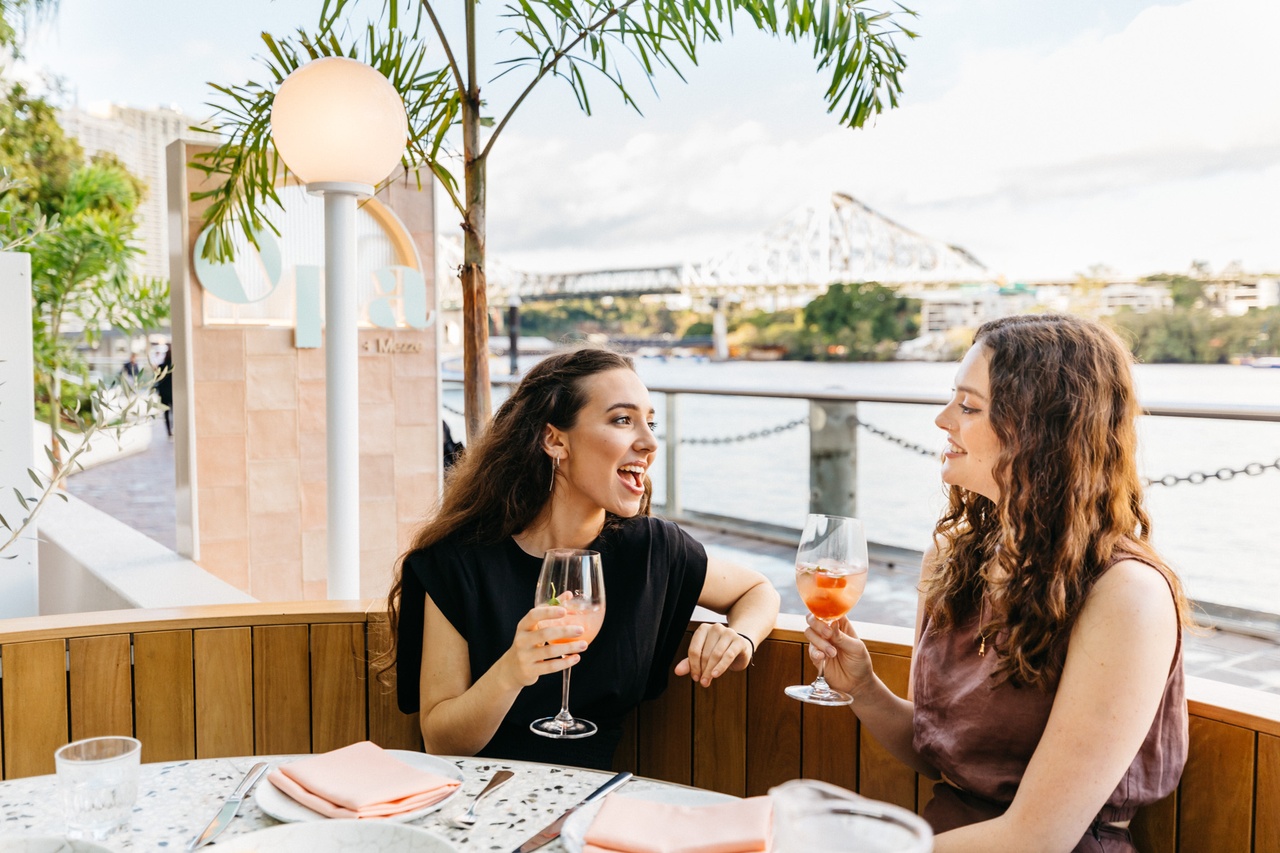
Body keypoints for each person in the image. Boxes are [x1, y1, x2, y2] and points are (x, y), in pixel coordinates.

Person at [803, 314, 1189, 852]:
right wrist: (864, 689)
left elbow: (1038, 837)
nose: (942, 420)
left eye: (969, 406)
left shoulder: (1127, 595)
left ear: (1040, 429)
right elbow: (943, 751)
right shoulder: (951, 556)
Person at [387, 348, 780, 770]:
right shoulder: (457, 563)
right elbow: (441, 739)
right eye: (622, 420)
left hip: (594, 807)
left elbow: (758, 590)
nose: (648, 443)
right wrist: (512, 670)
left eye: (650, 423)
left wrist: (740, 637)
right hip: (474, 805)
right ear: (555, 440)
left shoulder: (650, 549)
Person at [155, 344, 174, 438]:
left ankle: (169, 431)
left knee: (166, 413)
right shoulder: (174, 367)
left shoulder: (161, 366)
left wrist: (158, 392)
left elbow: (157, 380)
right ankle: (175, 429)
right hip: (173, 393)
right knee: (175, 412)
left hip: (164, 393)